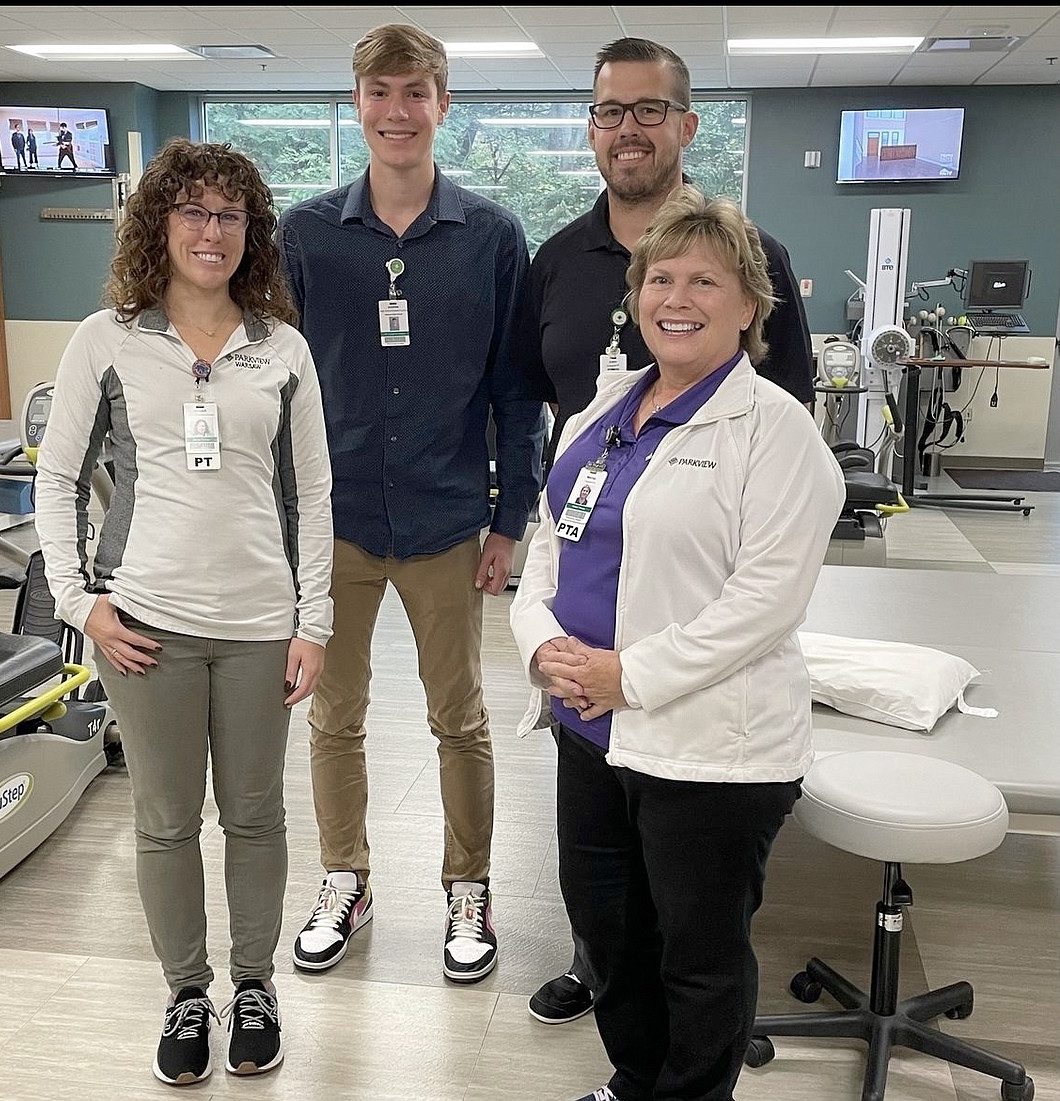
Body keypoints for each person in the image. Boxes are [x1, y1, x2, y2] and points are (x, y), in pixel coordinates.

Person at [509, 184, 845, 1101]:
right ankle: (634, 1080)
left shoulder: (776, 434)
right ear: (635, 295)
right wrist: (543, 648)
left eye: (706, 280)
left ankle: (693, 1093)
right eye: (661, 278)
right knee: (610, 933)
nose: (678, 299)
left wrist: (631, 673)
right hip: (587, 729)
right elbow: (545, 552)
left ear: (749, 306)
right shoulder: (602, 413)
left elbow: (765, 601)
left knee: (697, 953)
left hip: (711, 751)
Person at [33, 138, 334, 1086]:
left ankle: (254, 986)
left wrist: (312, 620)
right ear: (158, 223)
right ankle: (185, 992)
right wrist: (82, 601)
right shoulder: (106, 338)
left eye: (231, 215)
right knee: (165, 822)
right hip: (146, 628)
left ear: (254, 233)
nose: (212, 231)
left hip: (256, 624)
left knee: (254, 819)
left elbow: (316, 493)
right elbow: (57, 477)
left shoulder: (279, 347)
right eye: (194, 211)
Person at [278, 23, 545, 984]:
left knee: (459, 719)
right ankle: (344, 878)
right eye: (381, 91)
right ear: (357, 105)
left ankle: (466, 888)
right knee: (332, 717)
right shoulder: (305, 235)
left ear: (443, 104)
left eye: (417, 91)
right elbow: (276, 388)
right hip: (336, 523)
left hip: (443, 521)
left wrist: (509, 520)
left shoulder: (491, 238)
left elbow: (518, 394)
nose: (399, 111)